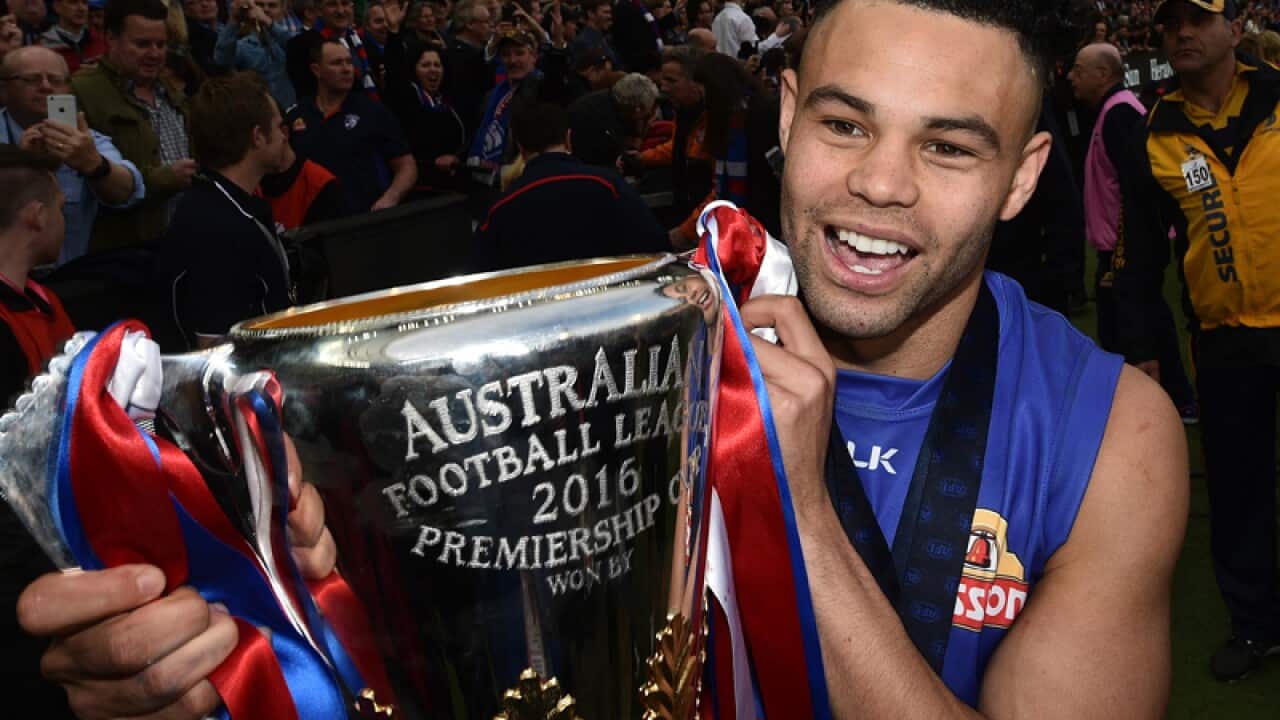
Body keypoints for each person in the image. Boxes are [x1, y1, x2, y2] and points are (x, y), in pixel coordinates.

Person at [13, 1, 1190, 717]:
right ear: (781, 116)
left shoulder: (1110, 429)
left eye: (947, 145)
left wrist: (796, 511)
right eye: (843, 123)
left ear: (1026, 174)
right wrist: (222, 664)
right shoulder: (596, 348)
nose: (878, 184)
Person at [1114, 0, 1280, 682]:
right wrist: (1141, 344)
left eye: (1198, 20)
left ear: (1233, 30)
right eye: (1170, 25)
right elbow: (1140, 257)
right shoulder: (1156, 131)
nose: (1180, 34)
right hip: (1225, 341)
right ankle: (1257, 624)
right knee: (1239, 490)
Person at [0, 145, 78, 720]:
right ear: (33, 215)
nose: (65, 217)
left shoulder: (44, 299)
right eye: (58, 205)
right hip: (20, 569)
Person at [155, 71, 295, 348]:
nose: (284, 137)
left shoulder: (228, 206)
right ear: (257, 136)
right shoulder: (217, 227)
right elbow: (216, 351)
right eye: (279, 127)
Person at [472, 100, 668, 271]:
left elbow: (483, 274)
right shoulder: (608, 185)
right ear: (568, 138)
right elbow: (656, 245)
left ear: (520, 148)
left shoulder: (500, 209)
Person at [0, 47, 144, 266]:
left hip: (66, 281)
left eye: (56, 80)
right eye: (32, 79)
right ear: (4, 89)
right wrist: (23, 166)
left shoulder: (82, 139)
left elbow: (130, 191)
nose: (46, 86)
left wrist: (94, 165)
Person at [72, 0, 196, 253]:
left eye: (161, 44)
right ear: (111, 39)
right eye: (142, 44)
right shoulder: (81, 92)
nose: (155, 53)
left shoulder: (171, 92)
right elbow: (79, 180)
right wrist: (166, 178)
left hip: (180, 244)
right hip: (122, 253)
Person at [286, 37, 417, 211]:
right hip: (314, 224)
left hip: (364, 221)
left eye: (349, 62)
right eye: (337, 63)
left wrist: (391, 198)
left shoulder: (373, 111)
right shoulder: (297, 116)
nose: (347, 69)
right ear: (316, 70)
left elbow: (406, 165)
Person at [385, 43, 469, 193]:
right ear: (414, 69)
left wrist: (457, 158)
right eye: (425, 65)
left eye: (437, 65)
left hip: (452, 186)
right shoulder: (406, 99)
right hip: (419, 187)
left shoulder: (448, 102)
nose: (433, 69)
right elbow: (394, 73)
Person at [568, 71, 659, 167]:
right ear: (638, 109)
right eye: (649, 108)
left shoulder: (607, 99)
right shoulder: (606, 127)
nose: (650, 113)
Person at [215, 0, 295, 108]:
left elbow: (298, 49)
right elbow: (221, 60)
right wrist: (234, 21)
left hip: (294, 110)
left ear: (283, 10)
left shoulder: (293, 38)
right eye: (259, 5)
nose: (265, 9)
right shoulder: (242, 46)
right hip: (262, 112)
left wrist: (269, 23)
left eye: (272, 5)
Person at [39, 0, 108, 73]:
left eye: (84, 3)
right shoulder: (42, 49)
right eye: (73, 2)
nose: (82, 8)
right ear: (57, 6)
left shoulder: (103, 41)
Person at [569, 0, 617, 68]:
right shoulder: (582, 43)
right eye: (605, 12)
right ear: (591, 14)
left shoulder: (604, 37)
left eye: (610, 13)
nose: (610, 16)